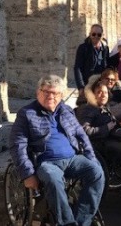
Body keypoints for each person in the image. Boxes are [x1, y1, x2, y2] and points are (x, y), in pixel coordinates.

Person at [9, 75, 105, 226]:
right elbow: (18, 145)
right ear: (38, 92)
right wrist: (27, 173)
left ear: (61, 95)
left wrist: (90, 157)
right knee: (53, 180)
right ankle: (67, 223)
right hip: (47, 162)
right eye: (46, 92)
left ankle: (82, 221)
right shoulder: (27, 113)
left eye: (55, 93)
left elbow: (81, 135)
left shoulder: (66, 110)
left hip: (72, 159)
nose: (50, 96)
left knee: (97, 172)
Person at [74, 24, 109, 97]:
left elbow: (107, 66)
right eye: (93, 34)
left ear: (102, 35)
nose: (96, 36)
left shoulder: (105, 48)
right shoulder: (83, 48)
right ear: (90, 34)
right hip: (87, 83)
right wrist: (81, 86)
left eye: (99, 34)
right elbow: (78, 68)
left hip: (100, 84)